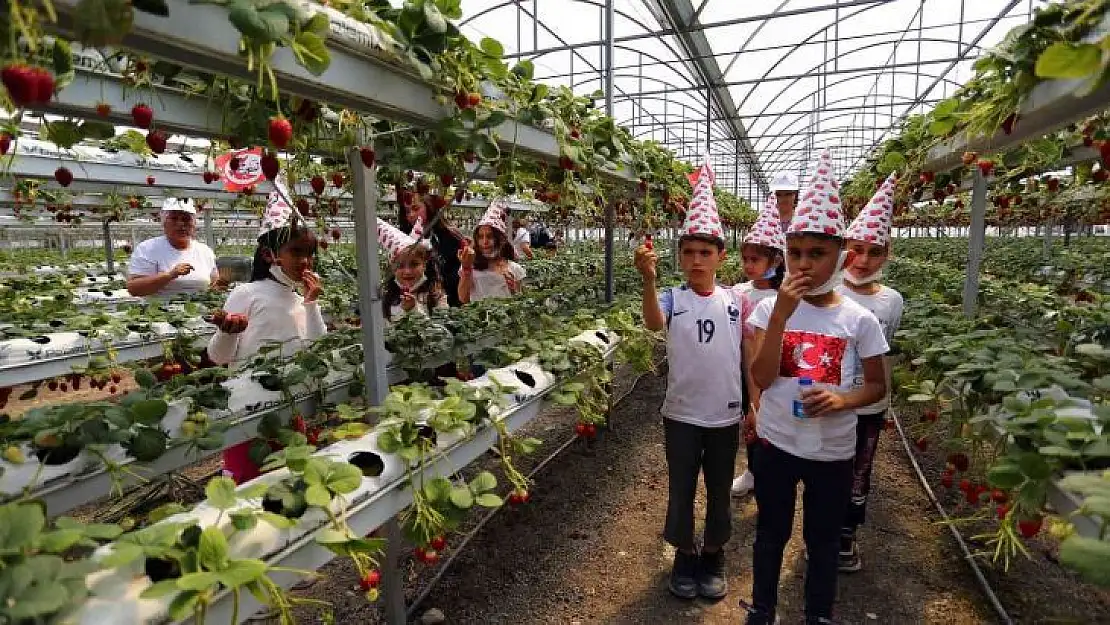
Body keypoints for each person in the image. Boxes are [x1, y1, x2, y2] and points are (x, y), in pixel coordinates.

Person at [742, 150, 889, 625]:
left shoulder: (859, 320)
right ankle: (763, 608)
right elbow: (761, 379)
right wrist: (782, 315)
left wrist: (843, 399)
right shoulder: (769, 310)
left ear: (841, 257)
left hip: (833, 451)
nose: (804, 263)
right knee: (770, 532)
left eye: (817, 253)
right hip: (777, 442)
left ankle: (818, 614)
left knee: (822, 540)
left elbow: (877, 387)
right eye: (796, 253)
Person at [635, 160, 752, 602]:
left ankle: (715, 552)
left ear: (722, 256)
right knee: (681, 485)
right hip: (681, 414)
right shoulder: (672, 296)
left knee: (720, 488)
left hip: (725, 415)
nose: (697, 260)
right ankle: (685, 552)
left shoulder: (736, 300)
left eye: (706, 252)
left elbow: (747, 351)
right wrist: (648, 280)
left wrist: (752, 404)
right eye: (689, 252)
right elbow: (652, 324)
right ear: (679, 257)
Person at [208, 186, 327, 484]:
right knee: (248, 487)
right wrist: (226, 332)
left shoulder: (301, 300)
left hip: (289, 404)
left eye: (309, 254)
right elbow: (218, 356)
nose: (305, 261)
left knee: (292, 484)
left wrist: (312, 304)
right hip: (248, 410)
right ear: (268, 254)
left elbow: (315, 348)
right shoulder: (246, 293)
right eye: (296, 252)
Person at [836, 172, 904, 573]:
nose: (862, 260)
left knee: (861, 469)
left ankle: (847, 534)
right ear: (844, 248)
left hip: (869, 405)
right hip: (830, 398)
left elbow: (886, 354)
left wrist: (886, 403)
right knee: (827, 467)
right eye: (856, 249)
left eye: (873, 252)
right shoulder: (828, 293)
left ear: (886, 254)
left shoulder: (893, 301)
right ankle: (823, 530)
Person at [730, 193, 787, 498]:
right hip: (744, 372)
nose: (749, 265)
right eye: (746, 259)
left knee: (773, 423)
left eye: (756, 259)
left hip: (775, 374)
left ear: (775, 261)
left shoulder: (785, 298)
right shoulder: (738, 292)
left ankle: (773, 476)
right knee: (750, 420)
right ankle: (752, 471)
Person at [127, 198, 222, 297]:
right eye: (174, 218)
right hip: (160, 311)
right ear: (164, 223)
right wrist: (169, 275)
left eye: (186, 219)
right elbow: (134, 289)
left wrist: (223, 283)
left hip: (200, 310)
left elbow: (214, 285)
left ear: (194, 224)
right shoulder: (147, 249)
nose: (180, 224)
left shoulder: (205, 251)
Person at [399, 193, 466, 307]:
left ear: (429, 208)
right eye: (407, 211)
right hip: (414, 303)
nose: (410, 215)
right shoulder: (405, 239)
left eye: (415, 208)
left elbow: (460, 272)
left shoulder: (450, 236)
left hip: (449, 304)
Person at [378, 217, 447, 321]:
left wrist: (414, 310)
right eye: (400, 266)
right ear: (392, 268)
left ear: (424, 264)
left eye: (414, 264)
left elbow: (443, 333)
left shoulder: (435, 297)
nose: (407, 271)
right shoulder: (387, 300)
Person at [459, 200, 526, 303]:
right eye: (480, 237)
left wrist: (513, 290)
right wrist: (466, 269)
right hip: (478, 318)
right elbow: (463, 298)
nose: (485, 242)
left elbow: (520, 302)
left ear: (501, 240)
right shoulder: (470, 266)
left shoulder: (514, 269)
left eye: (490, 236)